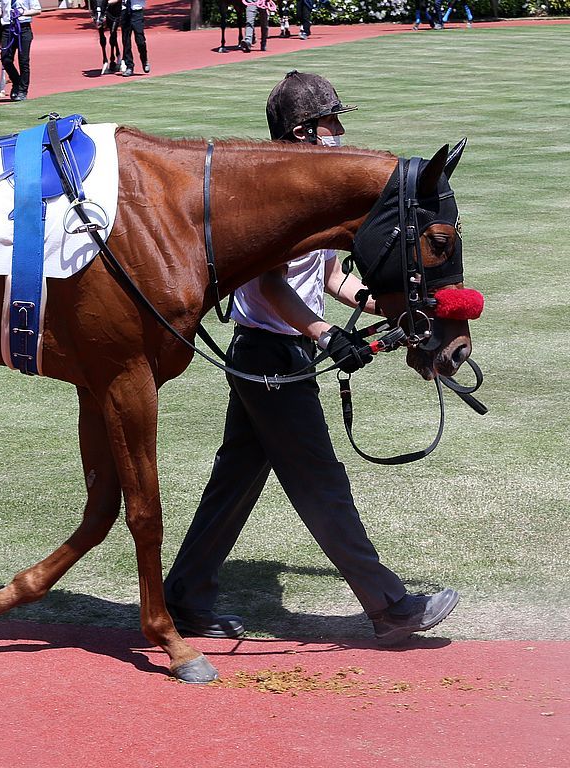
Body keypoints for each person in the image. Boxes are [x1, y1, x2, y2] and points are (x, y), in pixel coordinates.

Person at [162, 70, 460, 647]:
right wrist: (325, 334)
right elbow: (271, 283)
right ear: (303, 131)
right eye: (331, 122)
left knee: (236, 479)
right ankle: (390, 606)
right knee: (320, 481)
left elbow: (326, 277)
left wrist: (387, 311)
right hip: (269, 355)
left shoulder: (317, 194)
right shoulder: (271, 193)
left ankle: (186, 595)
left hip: (281, 352)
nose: (340, 132)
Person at [0, 0, 41, 101]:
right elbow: (0, 10)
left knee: (23, 61)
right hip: (8, 29)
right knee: (5, 59)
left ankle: (22, 91)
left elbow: (37, 10)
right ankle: (16, 82)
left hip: (23, 28)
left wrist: (22, 12)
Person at [119, 0, 148, 76]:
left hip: (137, 12)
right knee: (126, 41)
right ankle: (129, 66)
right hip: (125, 12)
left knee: (140, 40)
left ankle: (144, 60)